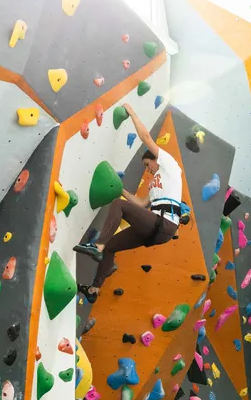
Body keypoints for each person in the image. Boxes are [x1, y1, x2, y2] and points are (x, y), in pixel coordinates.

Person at [74, 103, 184, 302]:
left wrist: (133, 113)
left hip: (164, 224)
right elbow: (141, 204)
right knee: (112, 247)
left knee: (119, 206)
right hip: (154, 231)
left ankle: (97, 246)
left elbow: (146, 138)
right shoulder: (154, 186)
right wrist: (120, 188)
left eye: (147, 165)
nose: (148, 169)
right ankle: (93, 291)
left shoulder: (170, 166)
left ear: (155, 159)